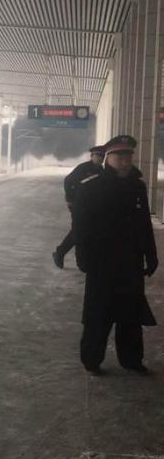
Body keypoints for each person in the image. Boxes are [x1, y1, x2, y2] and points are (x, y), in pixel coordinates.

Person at [73, 134, 158, 375]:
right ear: (107, 158)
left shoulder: (137, 186)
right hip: (101, 262)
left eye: (128, 155)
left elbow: (144, 224)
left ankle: (131, 359)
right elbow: (80, 227)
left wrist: (151, 255)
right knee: (98, 313)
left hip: (131, 261)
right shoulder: (90, 187)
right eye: (119, 156)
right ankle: (92, 360)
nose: (125, 160)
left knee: (130, 313)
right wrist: (83, 257)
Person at [52, 145, 106, 268]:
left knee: (82, 230)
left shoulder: (102, 171)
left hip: (93, 208)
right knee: (78, 230)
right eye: (98, 155)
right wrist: (70, 198)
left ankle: (61, 252)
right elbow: (68, 181)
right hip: (79, 206)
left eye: (102, 156)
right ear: (92, 156)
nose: (100, 158)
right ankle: (60, 253)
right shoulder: (83, 168)